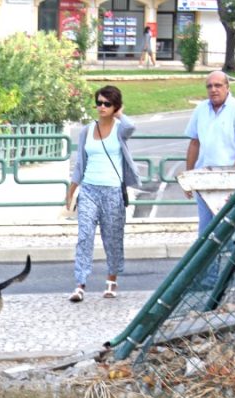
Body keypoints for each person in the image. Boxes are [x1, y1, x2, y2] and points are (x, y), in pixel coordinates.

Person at [65, 85, 142, 302]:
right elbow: (81, 161)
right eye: (99, 103)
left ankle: (111, 281)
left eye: (107, 104)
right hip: (89, 189)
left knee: (112, 238)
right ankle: (80, 284)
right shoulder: (87, 130)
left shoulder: (120, 129)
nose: (101, 107)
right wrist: (72, 189)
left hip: (112, 191)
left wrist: (119, 113)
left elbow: (132, 126)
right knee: (84, 237)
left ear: (115, 106)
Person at [184, 71, 235, 288]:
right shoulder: (200, 110)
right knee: (206, 232)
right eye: (209, 86)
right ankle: (210, 278)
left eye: (218, 85)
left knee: (229, 230)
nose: (213, 90)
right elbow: (194, 143)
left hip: (228, 181)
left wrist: (232, 173)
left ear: (227, 87)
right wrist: (189, 175)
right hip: (205, 179)